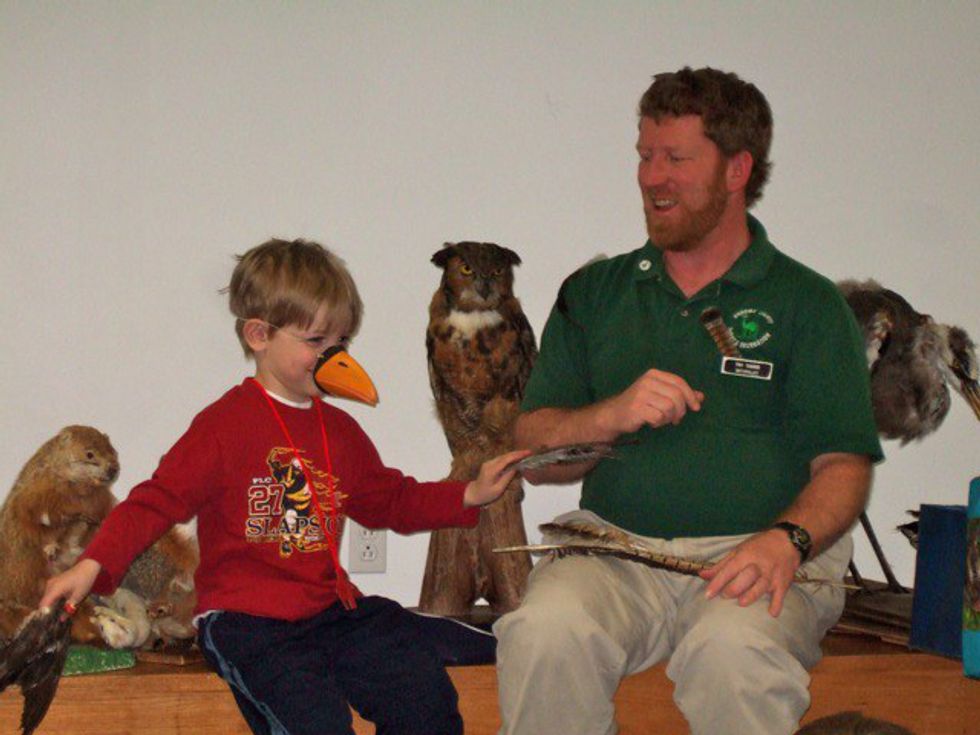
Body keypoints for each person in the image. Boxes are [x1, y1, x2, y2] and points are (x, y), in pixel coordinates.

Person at [493, 67, 883, 735]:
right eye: (645, 155)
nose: (652, 177)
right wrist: (610, 415)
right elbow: (533, 452)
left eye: (676, 158)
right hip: (615, 552)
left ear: (737, 169)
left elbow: (844, 467)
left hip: (758, 553)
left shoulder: (808, 303)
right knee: (542, 631)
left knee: (733, 654)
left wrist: (786, 541)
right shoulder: (594, 293)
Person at [41, 238, 528, 735]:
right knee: (315, 721)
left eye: (340, 341)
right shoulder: (223, 426)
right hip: (246, 622)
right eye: (316, 341)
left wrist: (468, 494)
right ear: (259, 335)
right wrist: (91, 565)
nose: (332, 354)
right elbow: (155, 502)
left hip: (327, 611)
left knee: (420, 690)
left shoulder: (339, 431)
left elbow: (389, 499)